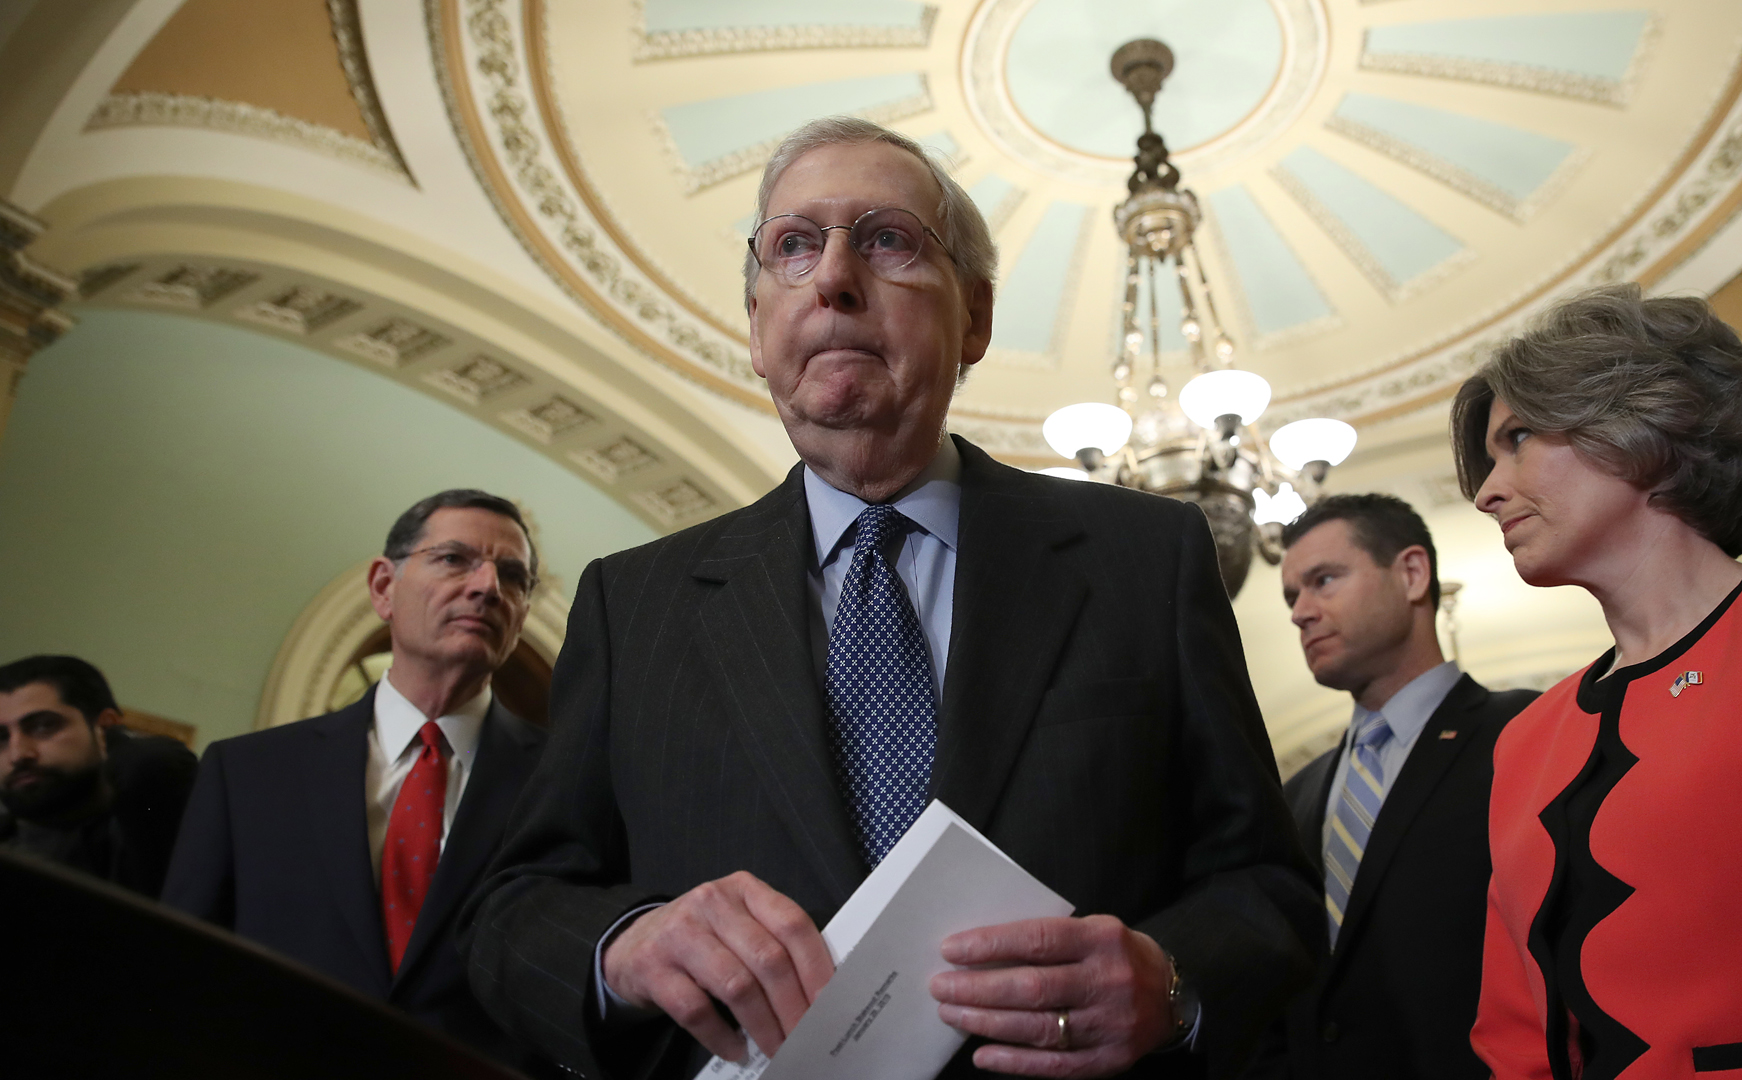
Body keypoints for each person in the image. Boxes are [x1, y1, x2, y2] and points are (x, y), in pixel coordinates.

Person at [461, 116, 1320, 1080]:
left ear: (976, 320)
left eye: (886, 239)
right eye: (792, 245)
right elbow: (510, 914)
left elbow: (1269, 892)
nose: (832, 278)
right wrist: (624, 949)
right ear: (755, 327)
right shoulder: (635, 604)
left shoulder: (1143, 557)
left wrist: (1172, 984)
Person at [1451, 284, 1742, 1079]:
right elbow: (1514, 1037)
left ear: (1635, 421)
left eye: (1519, 437)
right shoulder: (1528, 736)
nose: (1485, 491)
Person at [163, 490, 550, 1068]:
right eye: (454, 559)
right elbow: (178, 975)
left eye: (513, 576)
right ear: (383, 588)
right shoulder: (246, 774)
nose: (487, 586)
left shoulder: (564, 782)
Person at [1265, 495, 1538, 1079]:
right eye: (1293, 595)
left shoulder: (1525, 736)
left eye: (1324, 580)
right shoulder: (1293, 797)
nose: (1300, 612)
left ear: (1412, 574)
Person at [0, 654, 198, 898]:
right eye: (1, 739)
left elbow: (151, 763)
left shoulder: (144, 826)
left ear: (105, 727)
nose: (18, 754)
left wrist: (117, 741)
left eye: (42, 726)